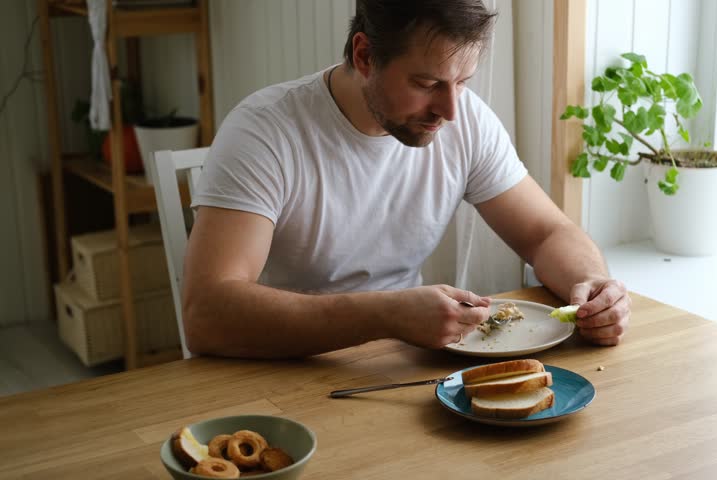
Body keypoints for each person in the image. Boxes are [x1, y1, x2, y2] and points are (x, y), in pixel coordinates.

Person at [183, 0, 630, 359]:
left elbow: (546, 233)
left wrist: (592, 286)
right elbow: (207, 315)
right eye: (427, 83)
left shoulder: (466, 119)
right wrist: (386, 315)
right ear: (365, 56)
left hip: (398, 366)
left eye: (463, 82)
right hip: (274, 373)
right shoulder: (266, 131)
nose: (450, 110)